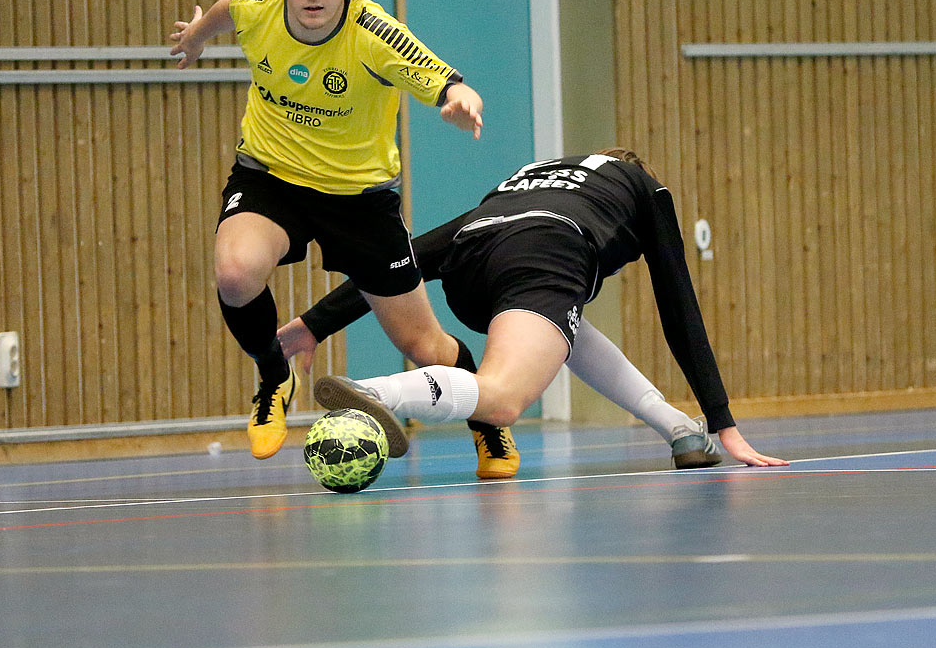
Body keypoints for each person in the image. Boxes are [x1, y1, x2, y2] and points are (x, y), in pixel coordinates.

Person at [168, 0, 509, 467]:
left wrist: (459, 96)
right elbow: (227, 7)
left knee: (425, 347)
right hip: (271, 178)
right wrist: (196, 38)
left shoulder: (375, 34)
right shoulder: (260, 4)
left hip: (360, 198)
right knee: (234, 273)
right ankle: (275, 376)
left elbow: (441, 75)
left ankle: (488, 421)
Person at [282, 149, 787, 470]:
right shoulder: (641, 185)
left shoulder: (532, 177)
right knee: (504, 398)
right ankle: (378, 393)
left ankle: (678, 429)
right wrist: (725, 422)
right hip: (546, 252)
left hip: (471, 266)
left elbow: (408, 257)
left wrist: (314, 323)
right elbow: (679, 303)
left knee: (565, 331)